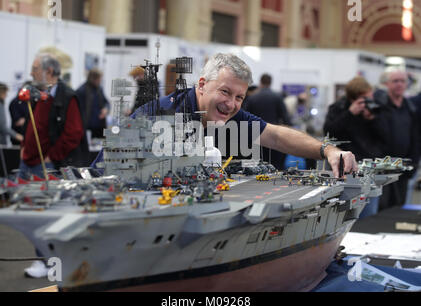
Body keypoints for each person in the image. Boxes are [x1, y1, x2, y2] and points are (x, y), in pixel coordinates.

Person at [93, 53, 357, 179]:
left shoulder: (230, 115)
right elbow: (104, 169)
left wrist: (328, 151)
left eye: (239, 97)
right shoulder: (157, 114)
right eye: (225, 92)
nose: (231, 104)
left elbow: (276, 136)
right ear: (201, 85)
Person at [21, 54, 87, 278]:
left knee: (47, 215)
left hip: (47, 165)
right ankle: (44, 259)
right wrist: (25, 149)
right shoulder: (40, 95)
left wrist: (51, 157)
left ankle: (47, 262)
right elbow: (35, 125)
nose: (31, 73)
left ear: (49, 72)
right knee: (33, 214)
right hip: (30, 162)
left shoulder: (67, 96)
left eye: (35, 68)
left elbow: (73, 133)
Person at [323, 76, 388, 218]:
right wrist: (350, 114)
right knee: (343, 212)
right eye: (365, 99)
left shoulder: (375, 109)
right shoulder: (338, 108)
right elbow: (329, 132)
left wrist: (372, 120)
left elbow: (386, 135)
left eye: (370, 97)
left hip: (369, 166)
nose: (368, 102)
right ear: (353, 98)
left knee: (369, 213)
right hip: (345, 166)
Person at [376, 69, 420, 210]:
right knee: (381, 209)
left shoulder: (411, 108)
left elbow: (415, 138)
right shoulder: (379, 107)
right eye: (395, 81)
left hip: (404, 167)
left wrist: (414, 163)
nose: (399, 84)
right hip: (382, 169)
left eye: (402, 81)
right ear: (387, 84)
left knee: (398, 208)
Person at [244, 74, 291, 169]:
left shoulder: (252, 98)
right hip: (273, 136)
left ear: (260, 82)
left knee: (256, 167)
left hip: (256, 137)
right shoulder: (277, 97)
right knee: (276, 166)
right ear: (270, 82)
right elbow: (286, 119)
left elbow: (245, 119)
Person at [76, 69, 110, 139]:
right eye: (99, 79)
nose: (100, 81)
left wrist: (106, 109)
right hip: (86, 128)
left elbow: (106, 102)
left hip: (100, 127)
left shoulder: (99, 89)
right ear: (93, 79)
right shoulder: (81, 91)